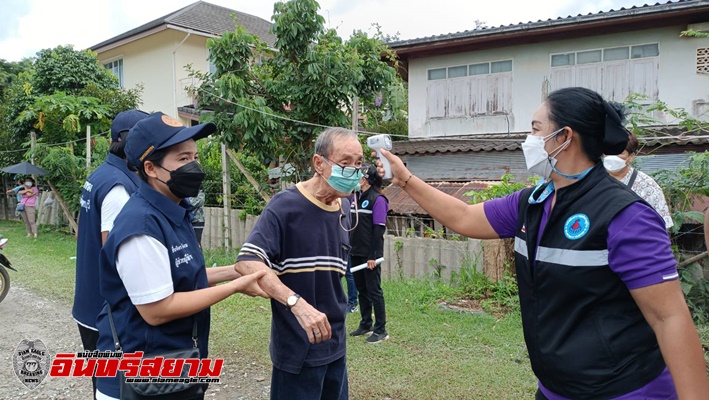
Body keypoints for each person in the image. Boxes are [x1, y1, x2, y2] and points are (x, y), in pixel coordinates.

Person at [376, 87, 709, 399]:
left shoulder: (625, 216)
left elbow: (670, 319)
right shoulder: (534, 202)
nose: (529, 139)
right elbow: (463, 216)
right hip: (556, 387)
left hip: (622, 388)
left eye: (536, 129)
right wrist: (404, 178)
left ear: (565, 138)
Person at [94, 112, 267, 400]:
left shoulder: (173, 210)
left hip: (175, 366)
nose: (195, 167)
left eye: (195, 157)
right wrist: (235, 287)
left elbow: (180, 276)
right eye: (183, 159)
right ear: (151, 167)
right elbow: (158, 309)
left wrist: (237, 271)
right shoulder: (141, 227)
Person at [234, 127, 363, 400]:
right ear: (319, 163)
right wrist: (297, 303)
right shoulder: (285, 206)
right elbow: (247, 262)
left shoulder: (345, 208)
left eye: (359, 164)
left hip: (335, 344)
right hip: (297, 348)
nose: (354, 171)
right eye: (345, 163)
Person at [72, 109, 149, 399]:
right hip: (104, 313)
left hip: (88, 304)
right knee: (113, 389)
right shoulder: (118, 187)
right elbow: (116, 256)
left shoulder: (101, 175)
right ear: (126, 141)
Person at [349, 163, 389, 343]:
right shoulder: (354, 196)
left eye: (358, 175)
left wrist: (373, 256)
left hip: (370, 255)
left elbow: (378, 230)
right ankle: (366, 324)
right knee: (361, 290)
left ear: (365, 179)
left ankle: (381, 330)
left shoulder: (378, 199)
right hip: (355, 251)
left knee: (374, 291)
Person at [603, 131, 674, 229]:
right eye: (608, 151)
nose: (612, 156)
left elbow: (661, 227)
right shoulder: (591, 181)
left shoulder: (647, 186)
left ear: (631, 157)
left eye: (619, 152)